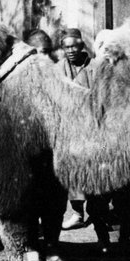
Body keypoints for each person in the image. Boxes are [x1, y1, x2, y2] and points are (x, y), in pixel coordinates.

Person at [56, 28, 95, 229]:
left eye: (74, 46)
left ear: (81, 46)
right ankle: (78, 213)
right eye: (66, 46)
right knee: (72, 173)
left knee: (95, 171)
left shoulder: (94, 67)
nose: (70, 50)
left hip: (93, 126)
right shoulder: (58, 67)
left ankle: (100, 216)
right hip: (68, 128)